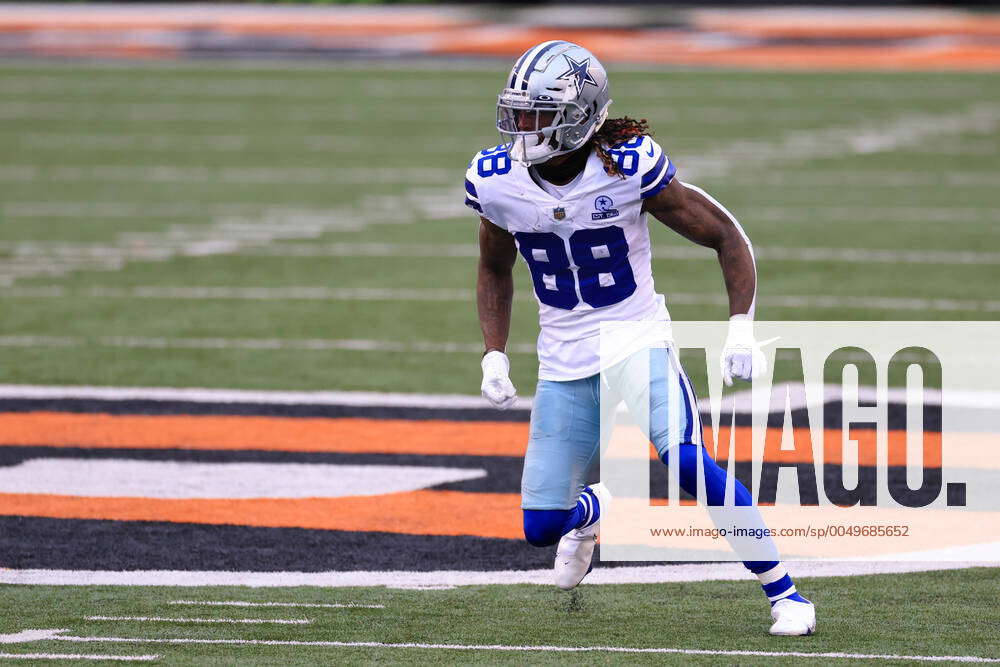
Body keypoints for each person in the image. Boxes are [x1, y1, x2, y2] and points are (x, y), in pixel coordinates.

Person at [466, 40, 816, 636]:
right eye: (519, 113)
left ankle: (785, 592)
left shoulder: (628, 165)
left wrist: (740, 329)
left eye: (539, 114)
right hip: (564, 356)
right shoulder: (496, 181)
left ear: (580, 115)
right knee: (540, 527)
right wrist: (494, 352)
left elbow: (726, 236)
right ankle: (596, 509)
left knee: (684, 459)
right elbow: (495, 265)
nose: (523, 128)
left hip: (635, 337)